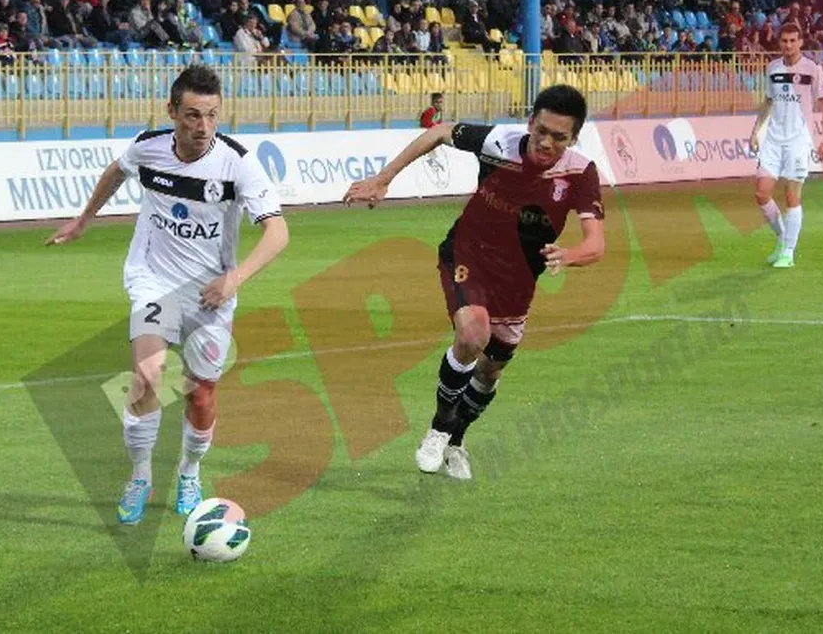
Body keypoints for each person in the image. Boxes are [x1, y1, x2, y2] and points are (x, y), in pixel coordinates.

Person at [45, 65, 289, 524]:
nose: (203, 127)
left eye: (212, 115)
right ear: (172, 111)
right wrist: (83, 219)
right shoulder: (148, 148)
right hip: (154, 280)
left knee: (201, 394)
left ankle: (189, 471)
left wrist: (233, 280)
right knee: (147, 376)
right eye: (193, 115)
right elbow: (116, 172)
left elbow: (278, 233)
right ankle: (140, 476)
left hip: (212, 293)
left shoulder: (237, 163)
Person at [342, 85, 605, 480]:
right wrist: (384, 178)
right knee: (472, 334)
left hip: (518, 279)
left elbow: (596, 244)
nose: (546, 143)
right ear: (530, 123)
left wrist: (568, 255)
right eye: (541, 131)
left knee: (489, 372)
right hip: (469, 253)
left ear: (574, 138)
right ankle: (438, 429)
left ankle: (456, 440)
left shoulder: (580, 173)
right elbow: (438, 132)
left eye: (559, 137)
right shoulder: (499, 143)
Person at [749, 23, 823, 269]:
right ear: (780, 43)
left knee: (791, 196)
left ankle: (788, 252)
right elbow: (768, 101)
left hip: (798, 140)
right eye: (784, 41)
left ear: (800, 42)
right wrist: (756, 131)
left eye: (792, 41)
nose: (788, 45)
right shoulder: (773, 68)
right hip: (773, 140)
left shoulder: (812, 69)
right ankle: (782, 238)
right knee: (762, 193)